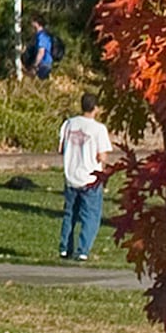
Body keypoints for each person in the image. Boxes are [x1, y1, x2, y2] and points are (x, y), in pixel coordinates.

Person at [56, 104, 112, 261]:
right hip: (90, 178)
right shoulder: (98, 129)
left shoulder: (68, 124)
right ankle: (83, 250)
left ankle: (65, 248)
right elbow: (102, 156)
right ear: (96, 108)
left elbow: (61, 148)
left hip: (71, 176)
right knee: (91, 215)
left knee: (70, 214)